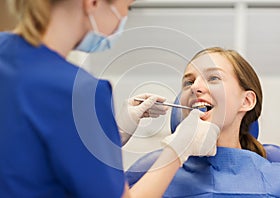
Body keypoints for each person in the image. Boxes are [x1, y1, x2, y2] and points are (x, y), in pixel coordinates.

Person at [0, 0, 221, 197]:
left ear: (248, 100)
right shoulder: (77, 92)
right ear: (92, 3)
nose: (124, 18)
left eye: (213, 78)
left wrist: (113, 131)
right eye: (127, 7)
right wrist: (177, 150)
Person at [126, 47, 280, 197]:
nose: (194, 87)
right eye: (189, 82)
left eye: (213, 78)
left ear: (246, 101)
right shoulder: (147, 176)